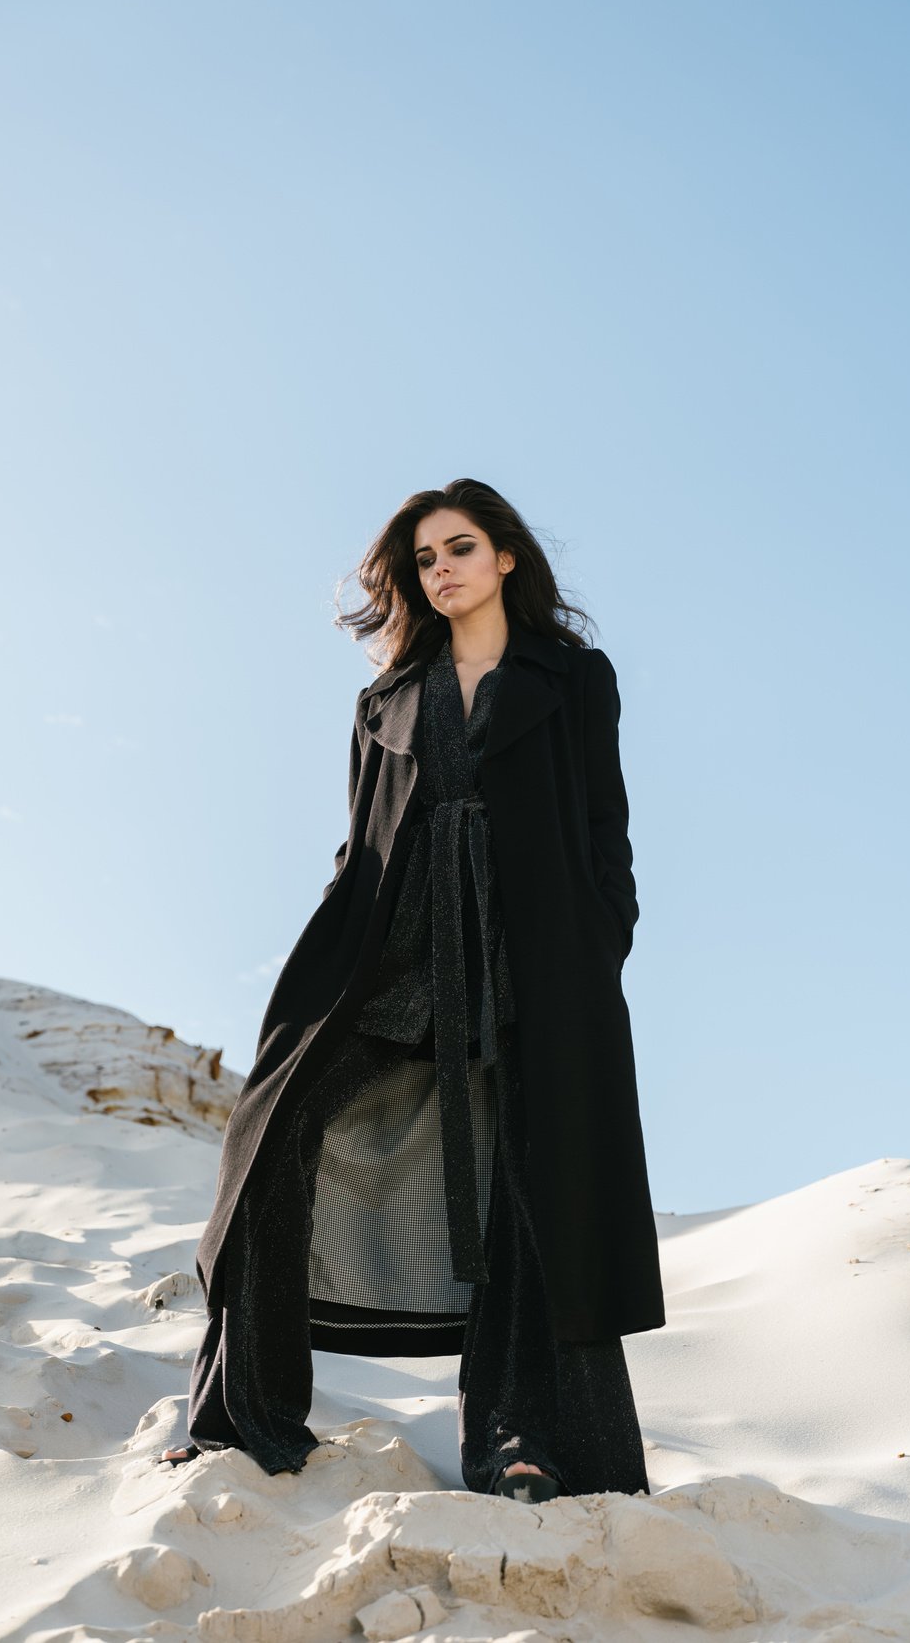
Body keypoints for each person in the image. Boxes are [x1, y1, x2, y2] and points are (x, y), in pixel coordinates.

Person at [160, 477, 665, 1499]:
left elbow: (604, 831)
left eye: (459, 549)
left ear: (507, 558)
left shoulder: (573, 678)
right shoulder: (383, 701)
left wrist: (599, 940)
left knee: (533, 1191)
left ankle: (527, 1440)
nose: (441, 570)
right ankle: (243, 1413)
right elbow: (362, 842)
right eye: (425, 559)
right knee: (274, 1135)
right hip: (388, 951)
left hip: (538, 958)